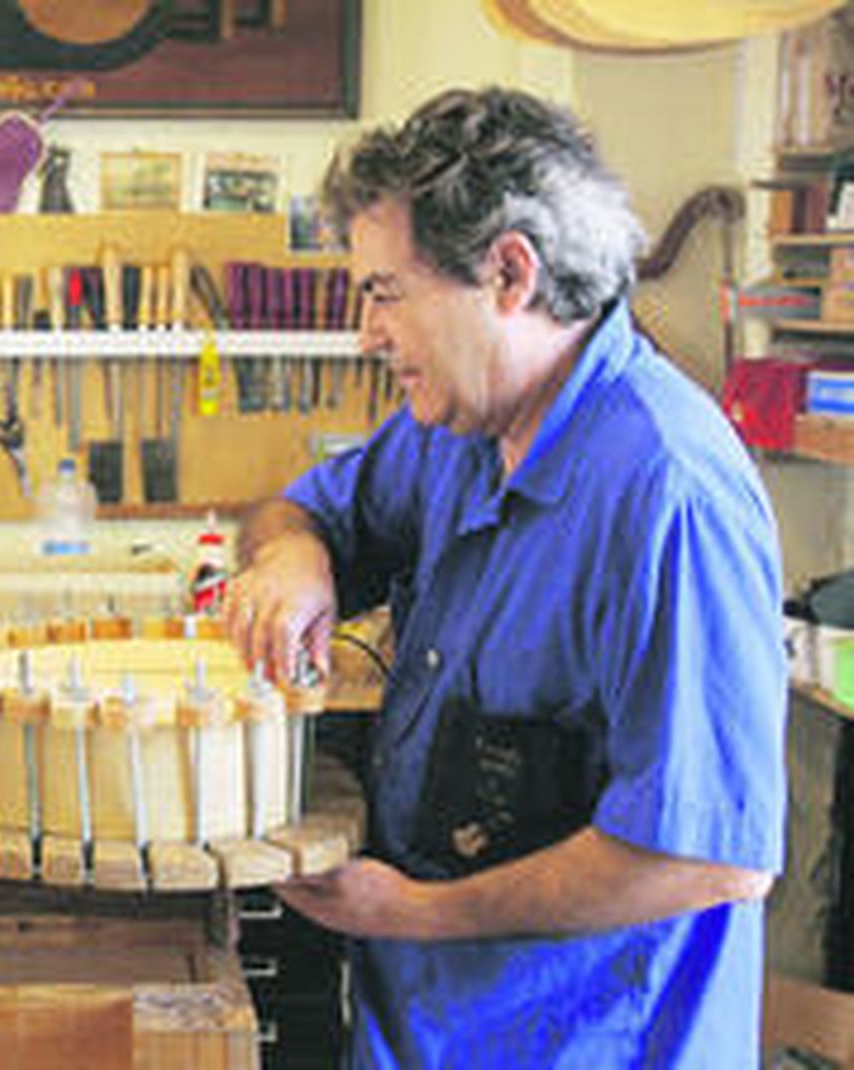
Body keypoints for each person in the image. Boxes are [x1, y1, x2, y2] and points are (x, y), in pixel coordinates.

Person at [227, 86, 785, 1066]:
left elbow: (708, 855)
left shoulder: (667, 490)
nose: (367, 334)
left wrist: (415, 913)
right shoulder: (456, 430)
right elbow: (300, 510)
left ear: (510, 273)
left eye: (384, 293)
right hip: (429, 1028)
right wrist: (294, 558)